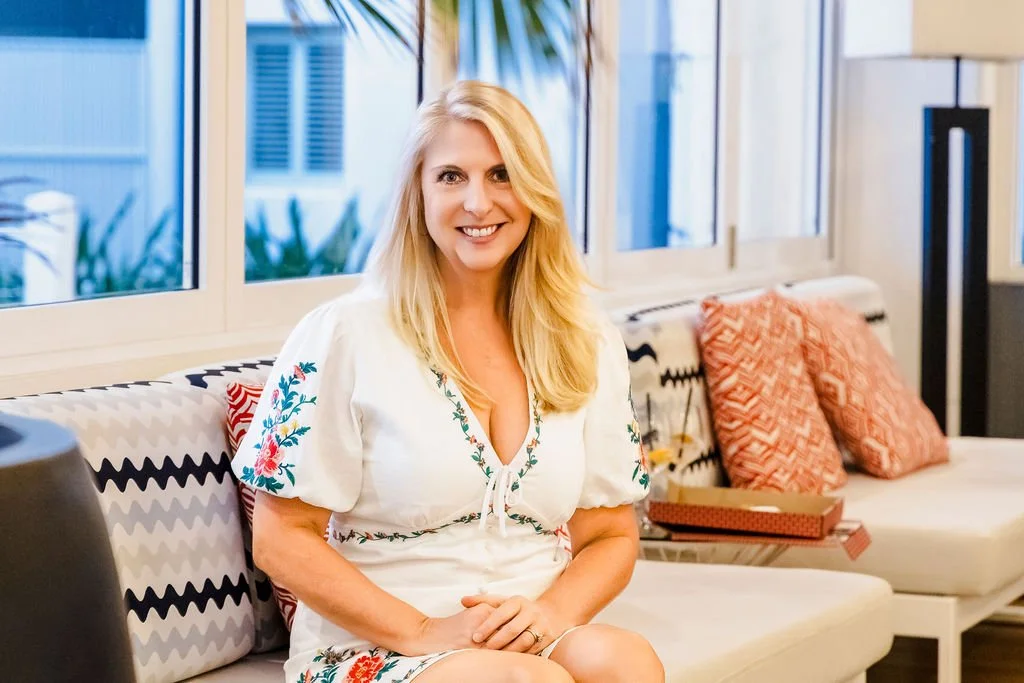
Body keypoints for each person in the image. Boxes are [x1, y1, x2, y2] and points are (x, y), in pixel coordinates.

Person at [232, 80, 664, 683]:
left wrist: (547, 615)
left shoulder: (585, 340)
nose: (479, 204)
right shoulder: (344, 333)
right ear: (419, 194)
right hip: (379, 643)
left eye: (501, 175)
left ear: (534, 192)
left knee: (626, 661)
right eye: (451, 177)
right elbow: (282, 538)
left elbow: (610, 534)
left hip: (529, 633)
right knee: (520, 681)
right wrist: (424, 632)